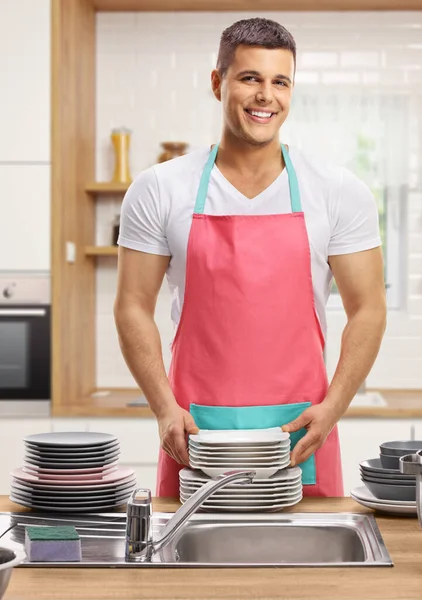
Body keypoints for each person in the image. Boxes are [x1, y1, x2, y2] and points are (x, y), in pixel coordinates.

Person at [114, 17, 387, 498]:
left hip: (301, 431)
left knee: (307, 568)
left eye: (280, 81)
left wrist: (335, 407)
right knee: (188, 566)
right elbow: (132, 304)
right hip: (195, 433)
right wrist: (162, 406)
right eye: (250, 78)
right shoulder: (160, 188)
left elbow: (368, 309)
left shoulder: (339, 191)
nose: (267, 95)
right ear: (218, 82)